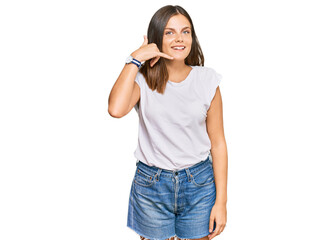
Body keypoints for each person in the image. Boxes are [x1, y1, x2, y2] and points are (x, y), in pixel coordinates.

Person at [108, 5, 228, 240]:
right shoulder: (142, 81)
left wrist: (221, 202)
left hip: (199, 184)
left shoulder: (207, 80)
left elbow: (219, 143)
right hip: (152, 185)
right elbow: (115, 109)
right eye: (169, 32)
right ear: (157, 38)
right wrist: (135, 59)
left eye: (186, 31)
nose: (179, 39)